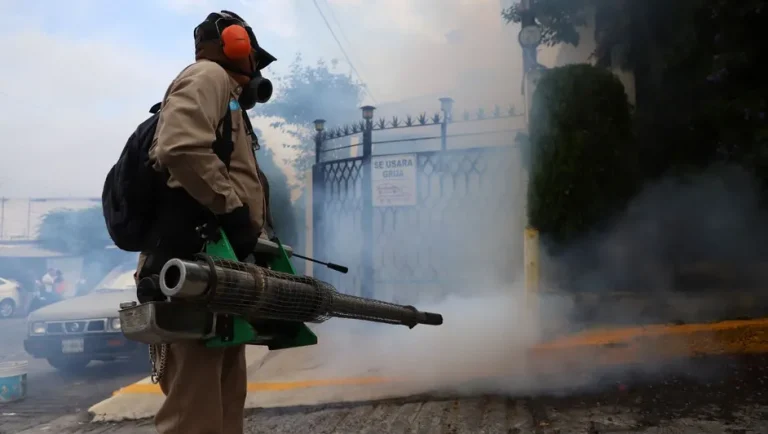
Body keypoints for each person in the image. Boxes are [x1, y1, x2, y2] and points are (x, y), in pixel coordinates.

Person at [135, 10, 277, 434]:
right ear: (234, 44)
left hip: (217, 273)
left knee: (224, 406)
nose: (254, 68)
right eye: (253, 56)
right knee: (195, 417)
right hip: (190, 272)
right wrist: (232, 211)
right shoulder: (208, 77)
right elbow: (179, 147)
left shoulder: (227, 100)